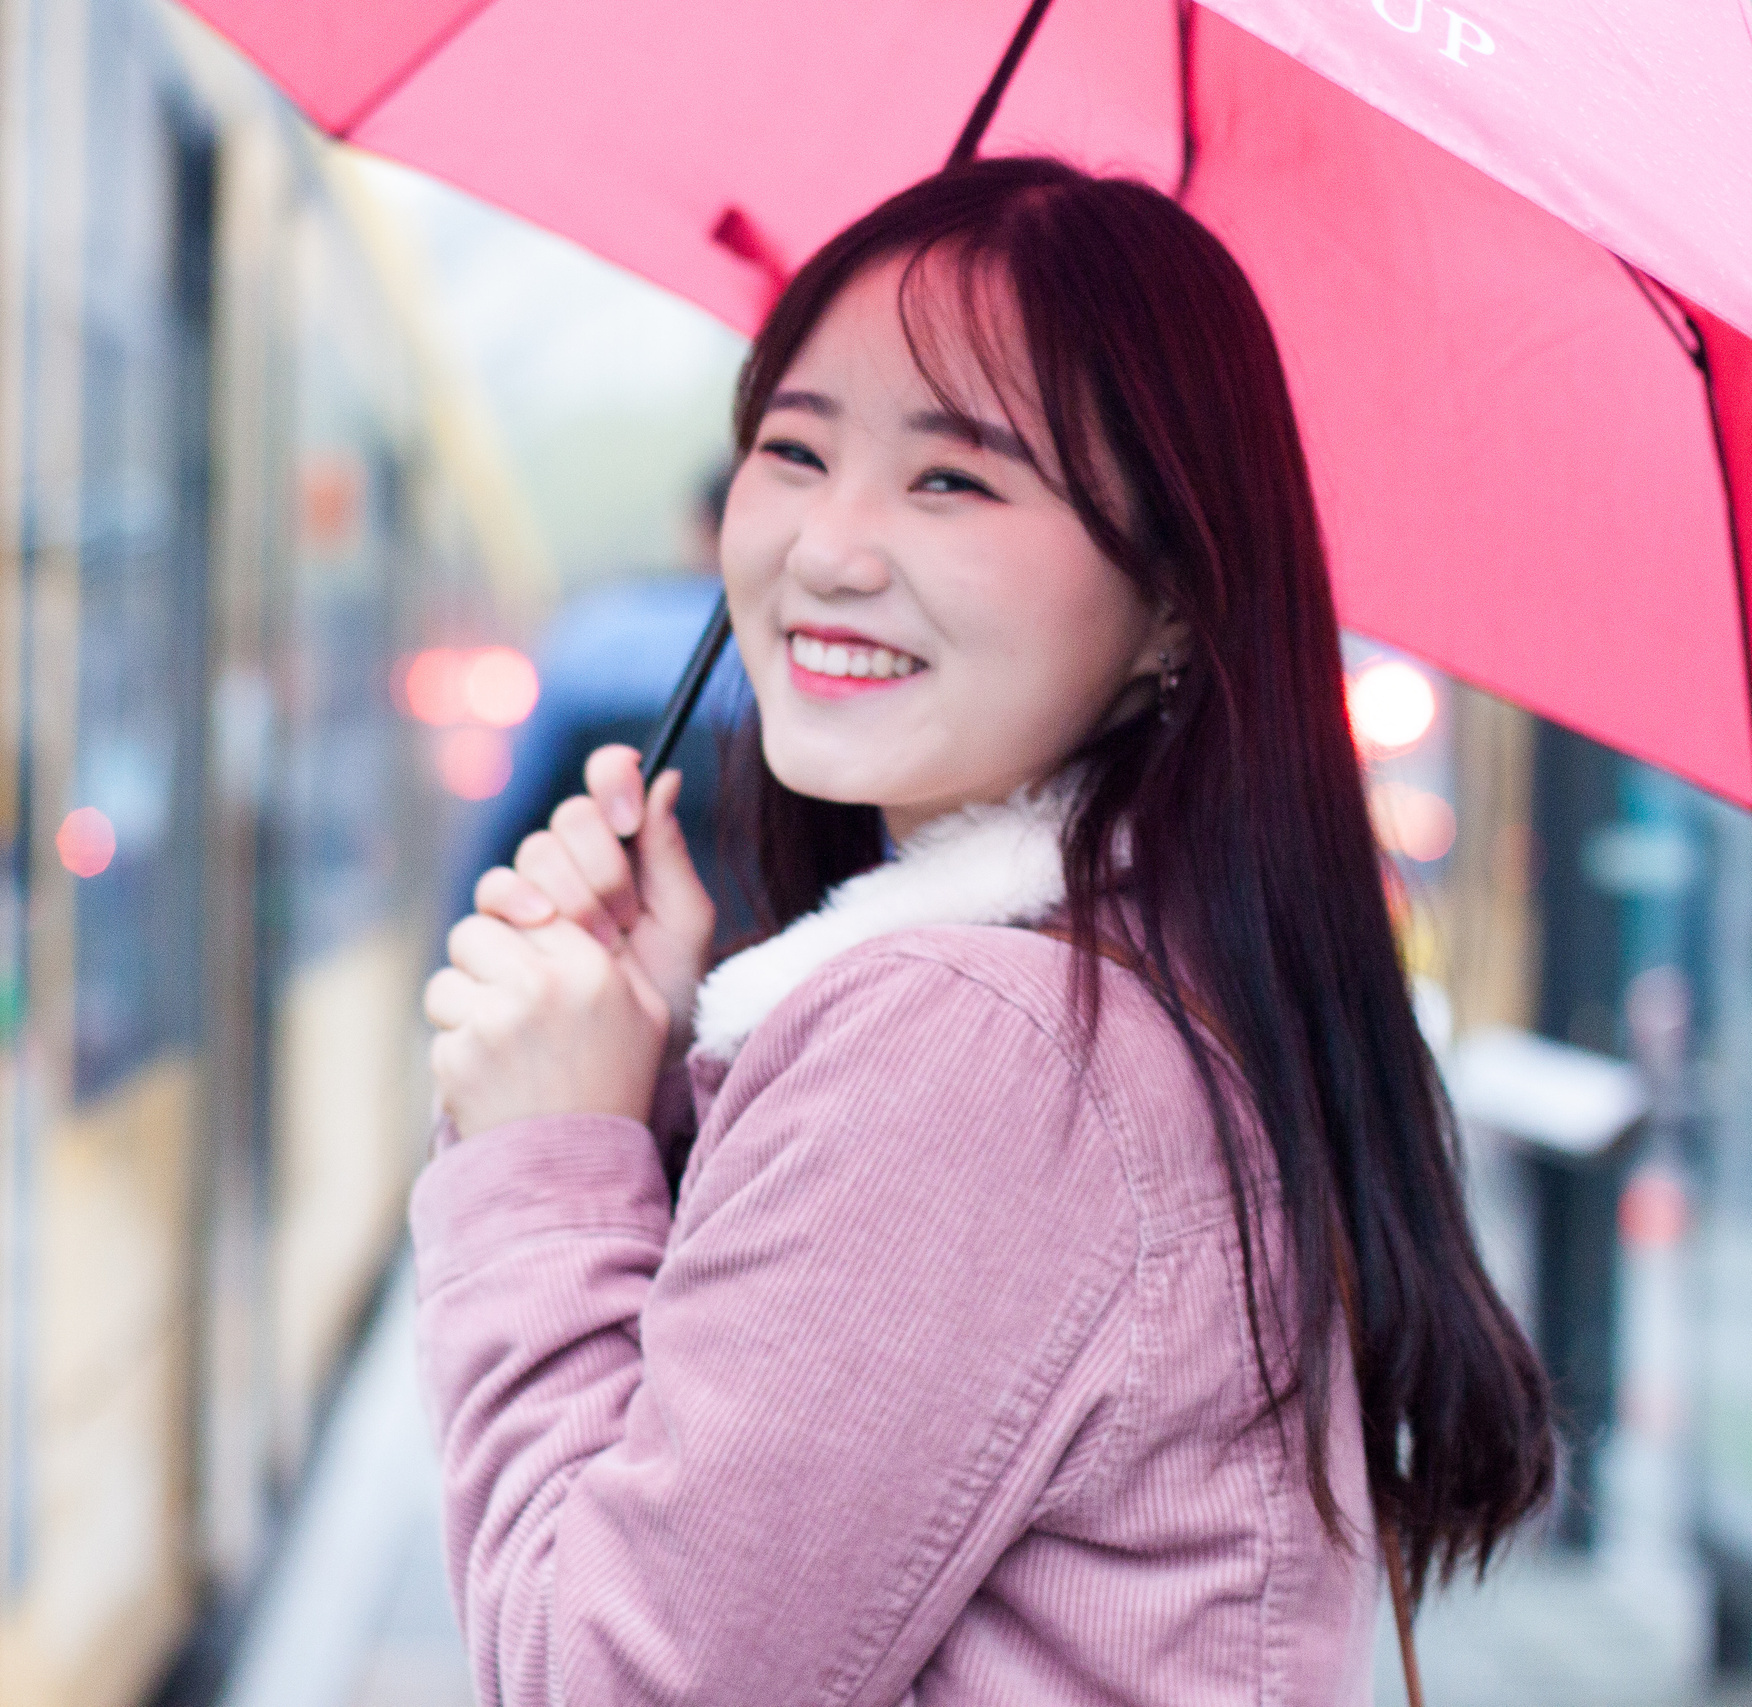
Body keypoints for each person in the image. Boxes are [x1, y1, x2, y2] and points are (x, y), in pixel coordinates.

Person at [414, 158, 1552, 1705]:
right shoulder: (1149, 979)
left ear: (1172, 600)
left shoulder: (986, 1043)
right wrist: (660, 1079)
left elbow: (606, 1679)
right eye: (794, 448)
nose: (829, 547)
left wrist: (546, 1159)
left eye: (955, 478)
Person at [445, 467, 751, 943]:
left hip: (611, 931)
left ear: (697, 529)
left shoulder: (589, 634)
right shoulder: (791, 656)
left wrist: (459, 932)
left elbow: (513, 811)